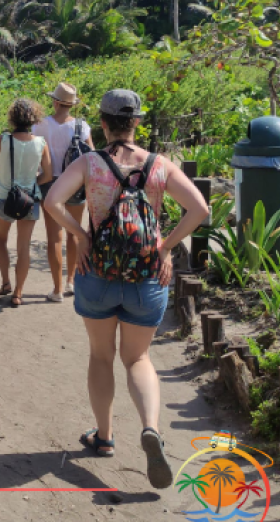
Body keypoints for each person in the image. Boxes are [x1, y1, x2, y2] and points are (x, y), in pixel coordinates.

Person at [44, 89, 208, 489]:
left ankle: (103, 437)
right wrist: (166, 248)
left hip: (97, 273)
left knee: (102, 356)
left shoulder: (89, 162)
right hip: (147, 276)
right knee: (138, 359)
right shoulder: (158, 165)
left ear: (102, 123)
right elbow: (200, 209)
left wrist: (81, 236)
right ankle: (150, 428)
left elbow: (52, 200)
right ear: (136, 123)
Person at [0, 99, 52, 307]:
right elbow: (48, 175)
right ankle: (18, 293)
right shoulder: (41, 144)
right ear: (34, 118)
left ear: (12, 118)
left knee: (1, 241)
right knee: (24, 247)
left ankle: (5, 282)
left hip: (5, 197)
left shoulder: (1, 141)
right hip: (29, 200)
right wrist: (31, 186)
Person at [33, 82, 95, 303]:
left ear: (55, 101)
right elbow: (92, 155)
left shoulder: (40, 125)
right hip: (75, 183)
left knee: (54, 238)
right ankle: (72, 281)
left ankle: (57, 289)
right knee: (75, 234)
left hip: (49, 183)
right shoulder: (82, 126)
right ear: (71, 104)